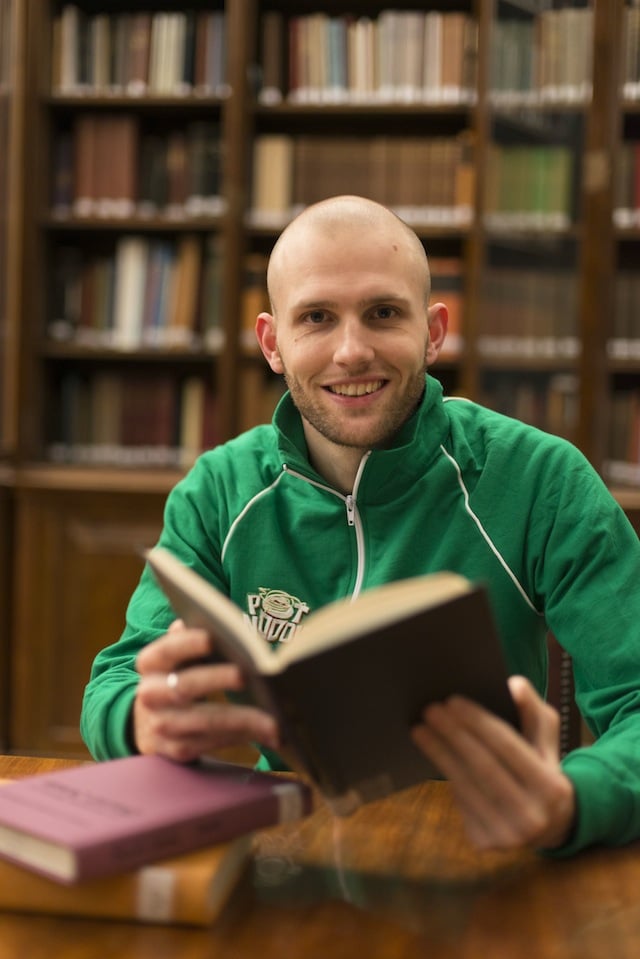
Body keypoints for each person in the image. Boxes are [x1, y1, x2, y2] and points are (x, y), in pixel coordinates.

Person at [81, 195, 640, 857]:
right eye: (317, 317)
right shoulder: (216, 492)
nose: (352, 351)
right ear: (272, 343)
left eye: (382, 313)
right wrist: (141, 719)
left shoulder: (544, 481)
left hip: (484, 847)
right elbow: (112, 684)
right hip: (280, 850)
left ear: (434, 332)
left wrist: (573, 800)